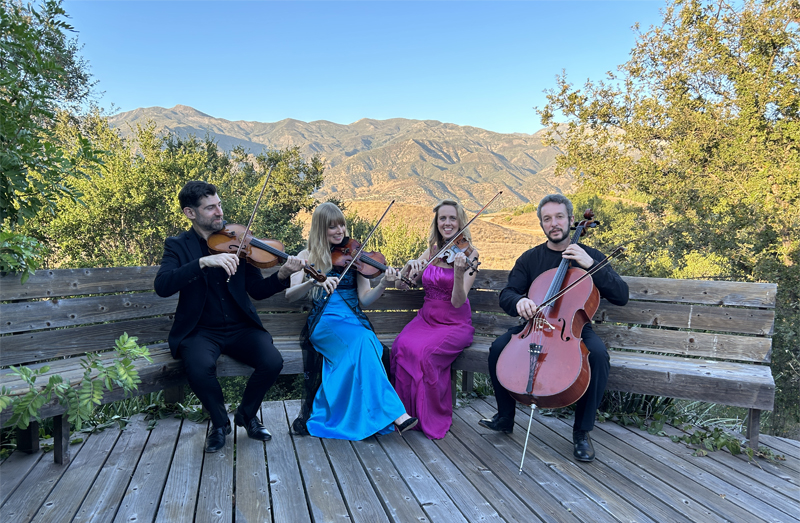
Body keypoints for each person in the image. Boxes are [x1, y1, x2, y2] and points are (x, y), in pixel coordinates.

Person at [154, 181, 305, 453]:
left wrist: (282, 276)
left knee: (272, 361)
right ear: (190, 213)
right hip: (200, 330)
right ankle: (219, 422)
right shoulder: (178, 246)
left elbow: (257, 291)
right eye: (210, 208)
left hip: (240, 327)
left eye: (219, 205)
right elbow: (162, 285)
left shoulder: (238, 240)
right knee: (199, 366)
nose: (218, 212)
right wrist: (202, 263)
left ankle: (246, 416)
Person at [480, 194, 628, 462]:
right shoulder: (530, 259)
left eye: (559, 217)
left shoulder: (590, 256)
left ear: (571, 221)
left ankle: (582, 432)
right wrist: (520, 301)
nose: (554, 223)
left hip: (574, 328)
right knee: (497, 348)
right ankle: (504, 417)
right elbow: (507, 294)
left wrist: (590, 265)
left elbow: (621, 295)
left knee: (598, 357)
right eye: (547, 219)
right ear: (541, 224)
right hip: (534, 326)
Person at [286, 202, 417, 440]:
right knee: (363, 340)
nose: (339, 231)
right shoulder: (307, 256)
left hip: (353, 319)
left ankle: (373, 414)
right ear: (320, 229)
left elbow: (365, 299)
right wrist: (313, 282)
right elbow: (290, 294)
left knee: (365, 340)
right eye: (332, 227)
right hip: (324, 322)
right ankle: (396, 413)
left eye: (342, 225)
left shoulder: (355, 257)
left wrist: (384, 283)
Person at [390, 199, 479, 439]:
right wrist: (408, 268)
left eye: (452, 218)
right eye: (443, 218)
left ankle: (429, 415)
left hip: (454, 322)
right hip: (426, 318)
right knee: (399, 347)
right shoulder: (431, 250)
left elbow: (458, 301)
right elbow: (403, 286)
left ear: (460, 221)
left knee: (424, 354)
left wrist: (459, 274)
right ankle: (404, 415)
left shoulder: (470, 254)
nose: (448, 223)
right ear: (436, 222)